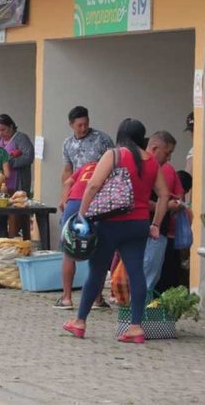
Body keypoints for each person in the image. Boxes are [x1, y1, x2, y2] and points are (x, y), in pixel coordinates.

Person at [63, 118, 169, 344]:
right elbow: (163, 194)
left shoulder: (115, 155)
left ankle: (80, 322)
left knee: (97, 272)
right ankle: (135, 327)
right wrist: (156, 224)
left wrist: (82, 215)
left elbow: (93, 185)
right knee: (136, 273)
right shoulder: (151, 161)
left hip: (110, 223)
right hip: (139, 224)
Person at [54, 161, 107, 310]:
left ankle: (66, 298)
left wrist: (64, 203)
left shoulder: (87, 165)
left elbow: (68, 182)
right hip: (95, 203)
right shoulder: (112, 166)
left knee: (68, 251)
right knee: (99, 251)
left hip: (73, 202)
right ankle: (97, 299)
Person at [145, 131, 186, 293]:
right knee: (147, 275)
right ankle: (137, 315)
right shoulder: (146, 168)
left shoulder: (156, 169)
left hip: (157, 230)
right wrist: (166, 206)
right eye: (167, 153)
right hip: (150, 230)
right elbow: (140, 201)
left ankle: (140, 312)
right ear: (155, 148)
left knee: (151, 275)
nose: (169, 159)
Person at [0, 114, 35, 237]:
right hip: (3, 182)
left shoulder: (21, 138)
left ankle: (17, 236)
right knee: (1, 211)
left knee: (17, 212)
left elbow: (28, 157)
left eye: (4, 130)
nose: (1, 133)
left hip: (18, 181)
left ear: (11, 127)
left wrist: (9, 163)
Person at [60, 106, 115, 187]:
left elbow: (113, 166)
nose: (83, 128)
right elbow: (68, 170)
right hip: (77, 189)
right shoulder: (68, 144)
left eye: (86, 124)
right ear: (71, 125)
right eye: (79, 125)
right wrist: (66, 192)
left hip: (98, 188)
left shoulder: (103, 140)